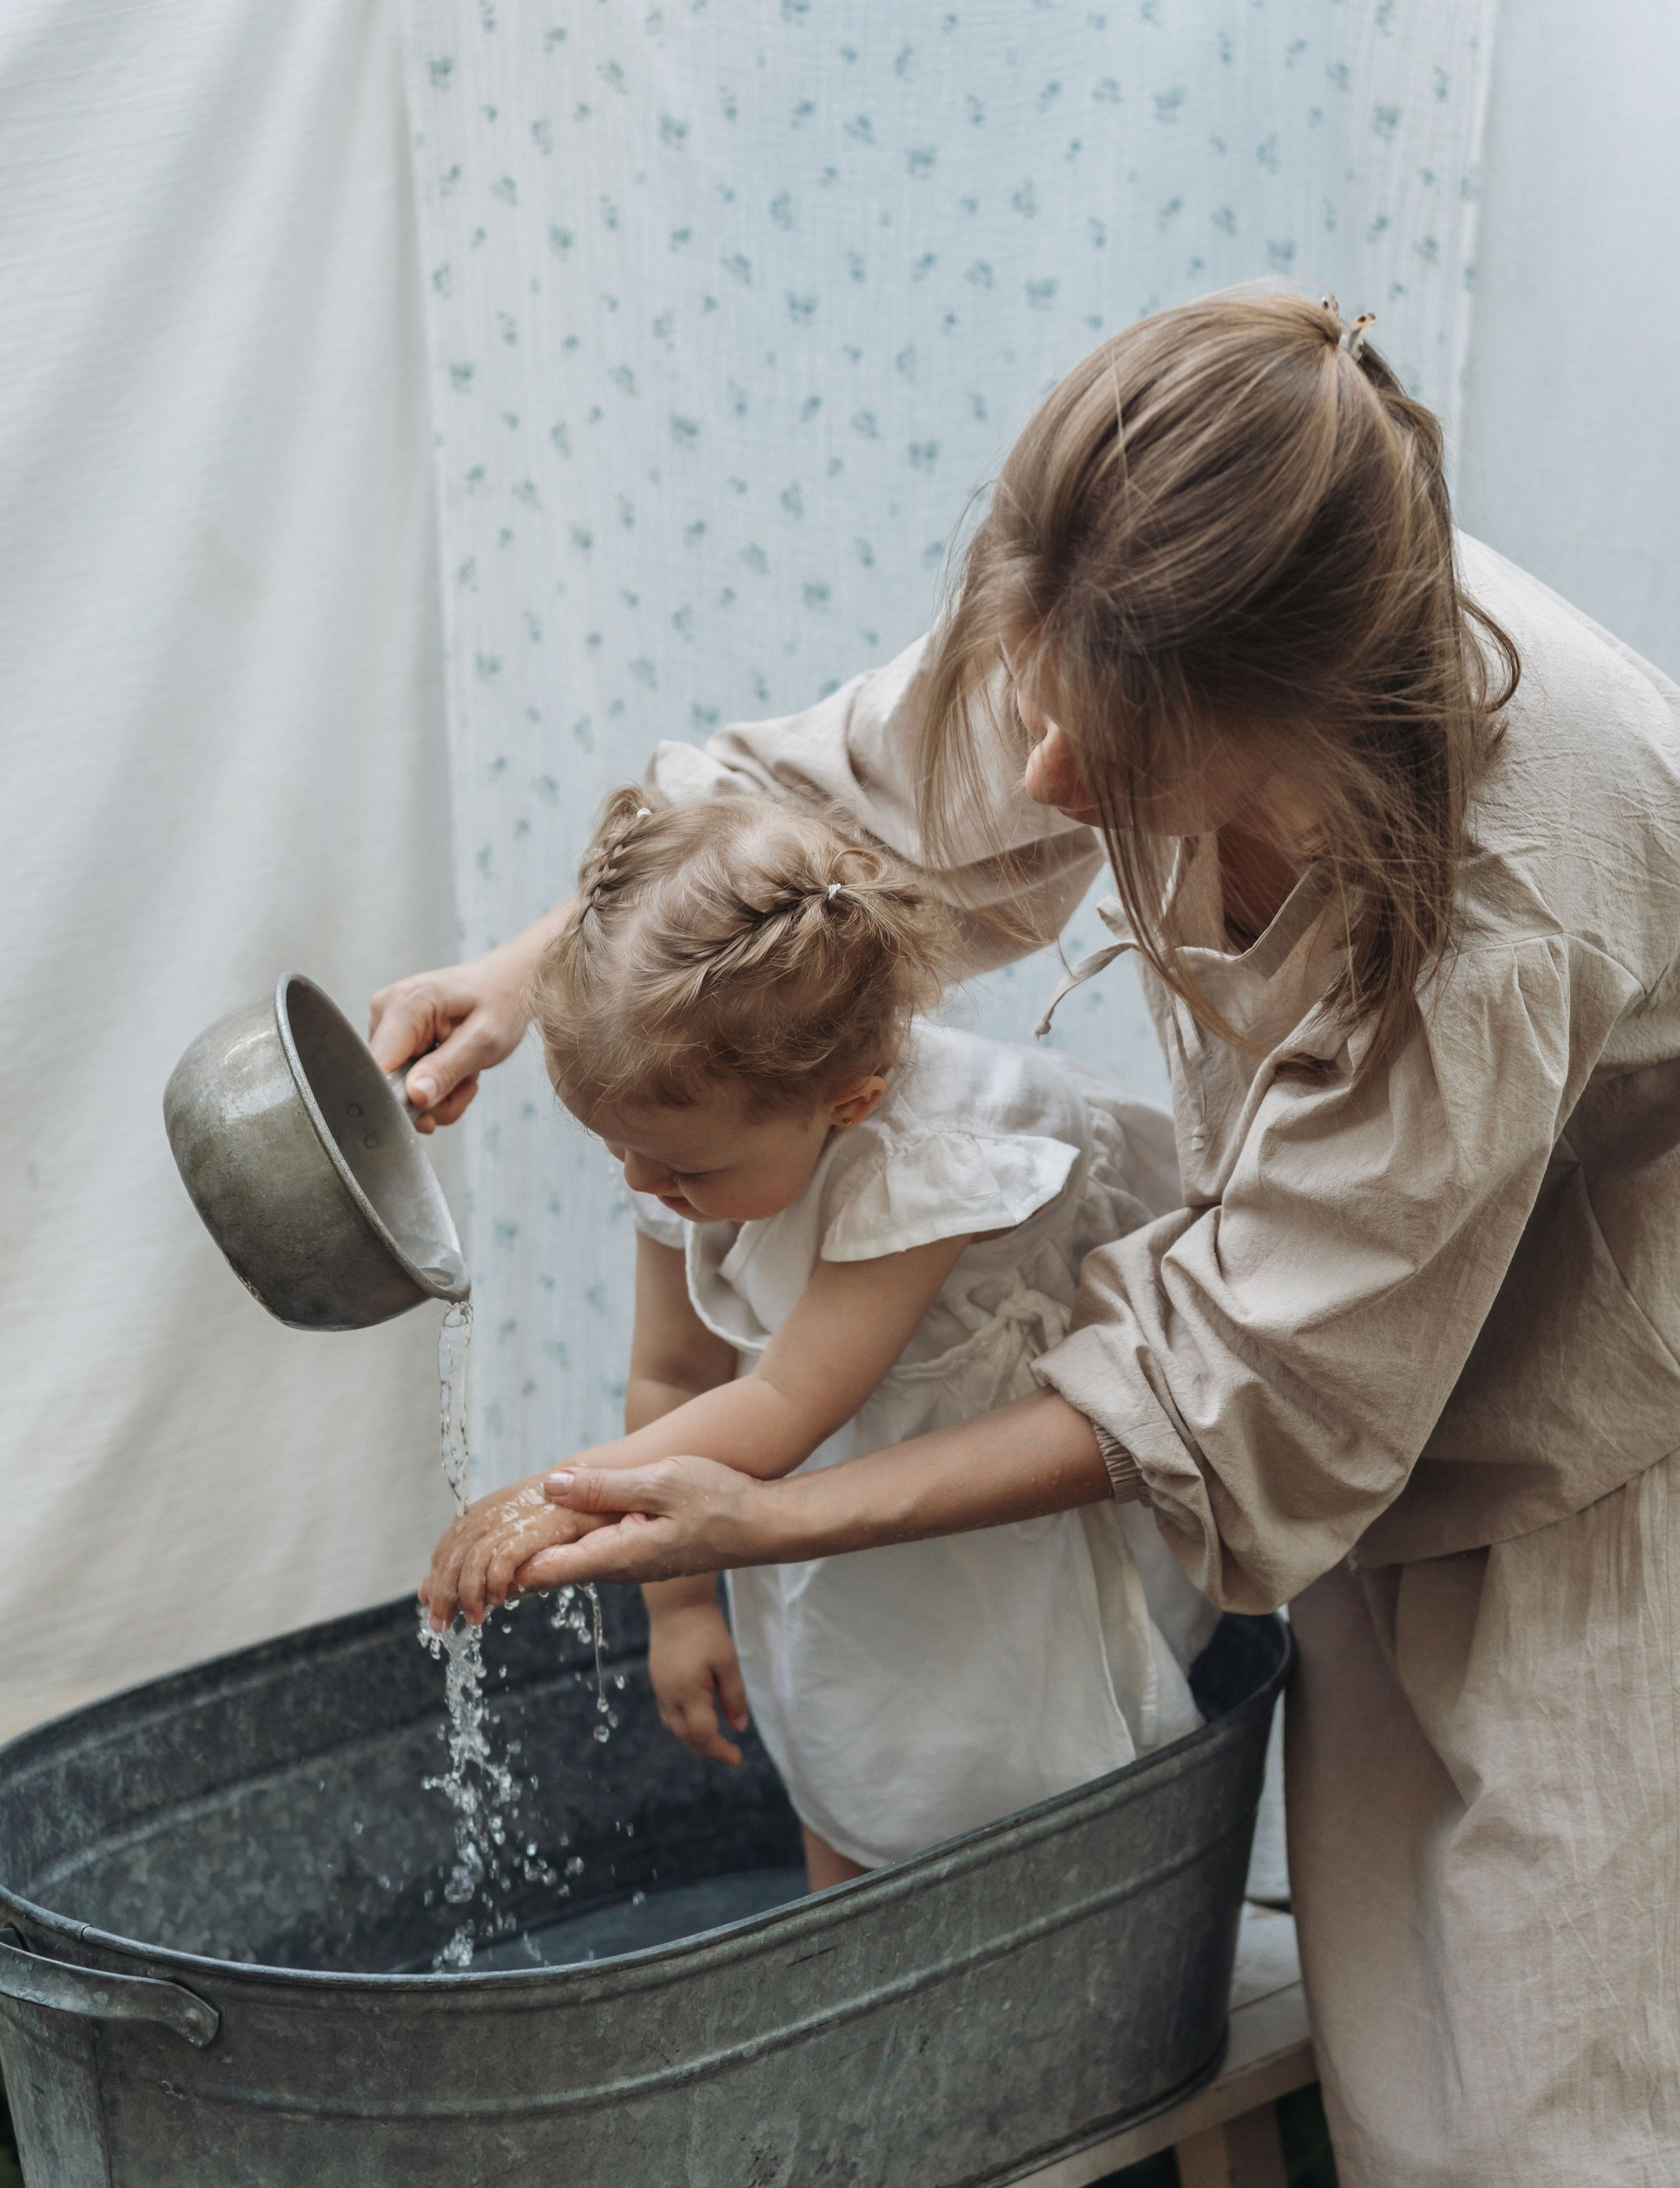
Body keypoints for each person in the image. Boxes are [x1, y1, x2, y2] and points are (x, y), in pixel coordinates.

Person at [375, 288, 1680, 2188]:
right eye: (1052, 695)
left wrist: (774, 1512)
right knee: (1443, 2138)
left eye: (1130, 760)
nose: (1058, 793)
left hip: (1583, 1479)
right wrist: (541, 971)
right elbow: (861, 833)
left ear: (1308, 730)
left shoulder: (1505, 886)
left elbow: (1221, 1387)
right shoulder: (1157, 593)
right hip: (1353, 1417)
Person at [424, 781, 1211, 1885]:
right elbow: (674, 1373)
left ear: (847, 1101)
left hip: (996, 1471)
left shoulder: (929, 1157)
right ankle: (845, 1961)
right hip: (844, 1481)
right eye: (620, 1156)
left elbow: (781, 1408)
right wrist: (682, 1609)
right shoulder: (684, 1140)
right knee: (840, 1723)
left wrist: (543, 1501)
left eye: (685, 1170)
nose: (648, 1190)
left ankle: (1074, 1931)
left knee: (1008, 1743)